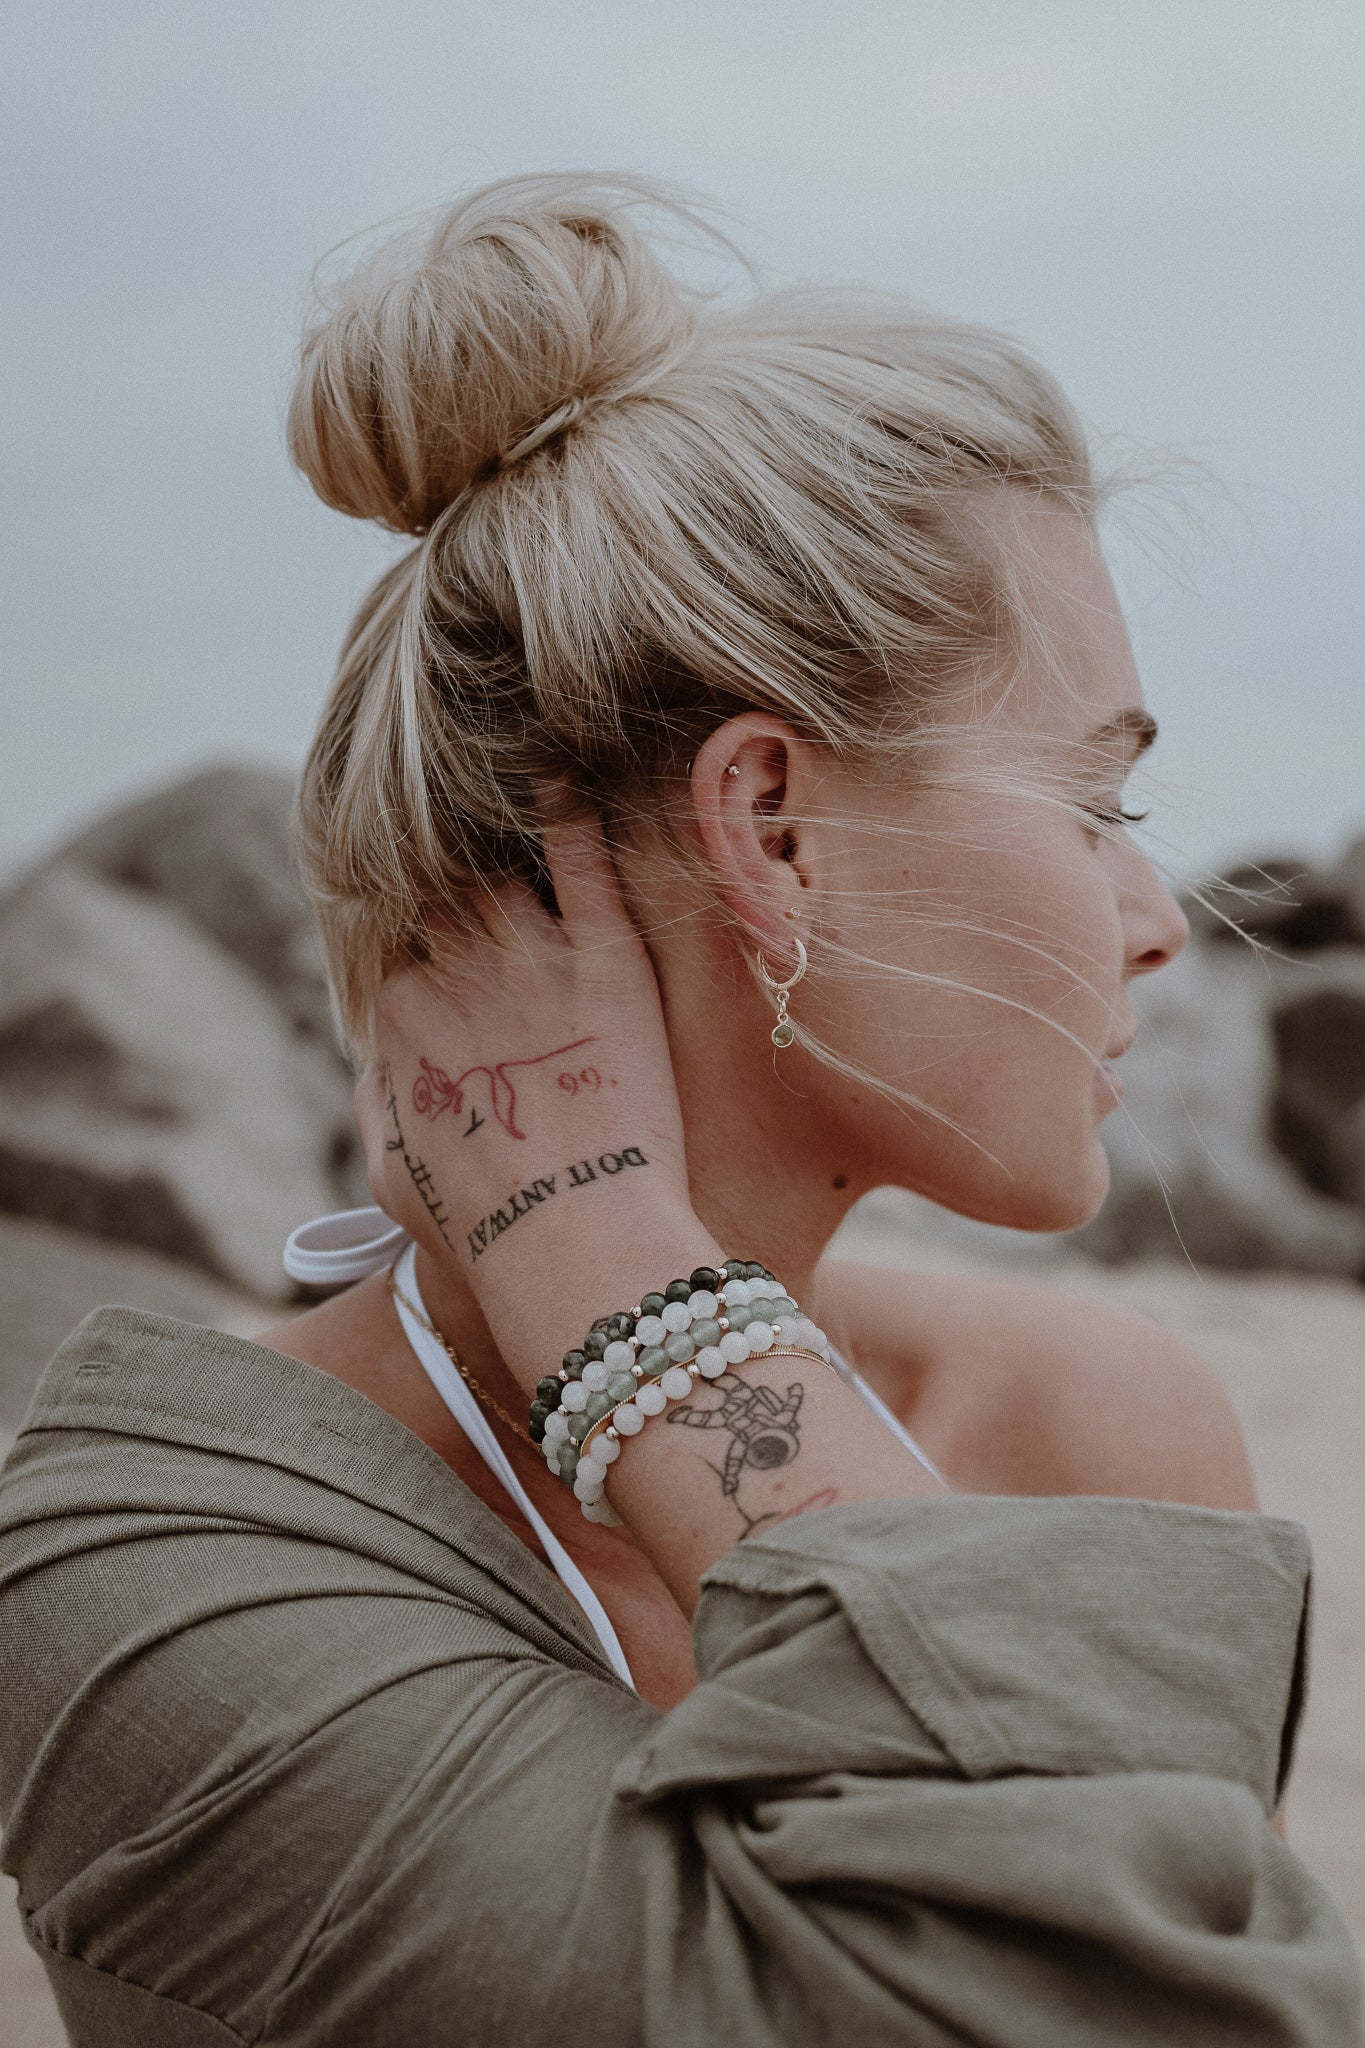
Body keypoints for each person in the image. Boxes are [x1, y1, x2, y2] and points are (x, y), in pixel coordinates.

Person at [0, 175, 1358, 2045]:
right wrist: (621, 1277)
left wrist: (618, 1279)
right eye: (1097, 808)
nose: (1155, 931)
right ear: (771, 830)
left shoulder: (1084, 1421)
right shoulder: (153, 1562)